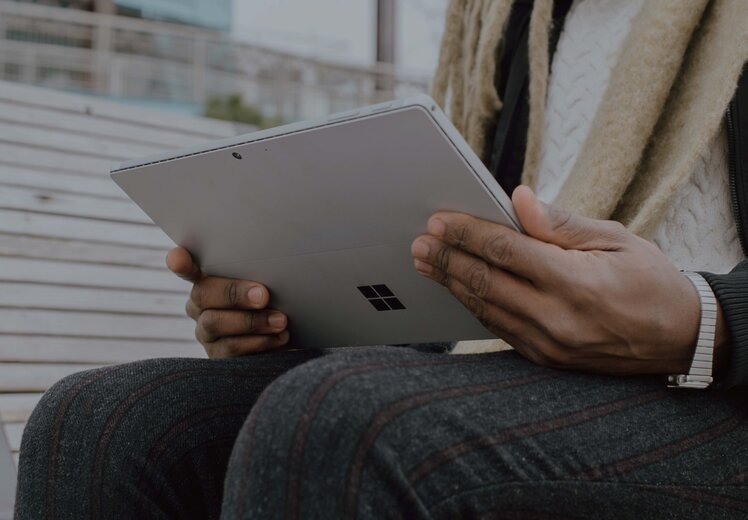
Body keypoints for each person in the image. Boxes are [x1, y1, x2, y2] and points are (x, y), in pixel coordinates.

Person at [15, 0, 748, 518]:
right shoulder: (514, 19)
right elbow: (484, 243)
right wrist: (300, 310)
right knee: (96, 420)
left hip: (716, 392)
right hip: (519, 356)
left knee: (342, 422)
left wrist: (701, 320)